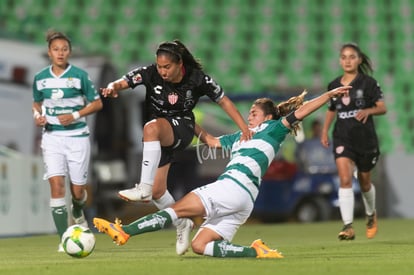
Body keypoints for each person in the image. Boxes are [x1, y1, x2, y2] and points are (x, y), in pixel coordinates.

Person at [93, 86, 351, 258]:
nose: (249, 116)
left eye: (254, 113)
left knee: (177, 210)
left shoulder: (273, 129)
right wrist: (189, 122)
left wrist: (328, 96)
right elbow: (212, 142)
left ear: (269, 117)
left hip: (232, 187)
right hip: (244, 201)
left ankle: (126, 231)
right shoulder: (240, 136)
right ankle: (255, 252)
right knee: (199, 245)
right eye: (249, 112)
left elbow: (300, 112)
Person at [100, 39, 251, 253]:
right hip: (161, 137)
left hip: (182, 129)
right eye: (160, 66)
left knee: (150, 128)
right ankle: (183, 222)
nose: (162, 71)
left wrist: (244, 128)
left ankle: (143, 188)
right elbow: (124, 81)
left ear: (179, 64)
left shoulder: (197, 78)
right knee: (159, 192)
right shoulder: (150, 72)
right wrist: (113, 87)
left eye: (167, 67)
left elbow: (224, 100)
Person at [32, 30, 103, 252]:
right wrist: (38, 115)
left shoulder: (80, 76)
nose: (60, 53)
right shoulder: (40, 78)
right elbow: (37, 103)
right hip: (52, 137)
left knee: (78, 191)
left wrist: (74, 115)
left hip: (77, 137)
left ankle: (78, 208)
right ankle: (64, 238)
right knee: (56, 185)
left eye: (64, 49)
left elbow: (97, 103)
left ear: (69, 52)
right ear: (49, 52)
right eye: (56, 49)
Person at [320, 43, 387, 241]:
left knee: (365, 183)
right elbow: (331, 109)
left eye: (352, 57)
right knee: (345, 179)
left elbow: (382, 108)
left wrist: (368, 110)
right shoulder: (334, 85)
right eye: (344, 57)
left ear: (359, 60)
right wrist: (325, 131)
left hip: (365, 140)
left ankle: (370, 214)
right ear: (340, 60)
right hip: (343, 138)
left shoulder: (369, 83)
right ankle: (348, 226)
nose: (347, 60)